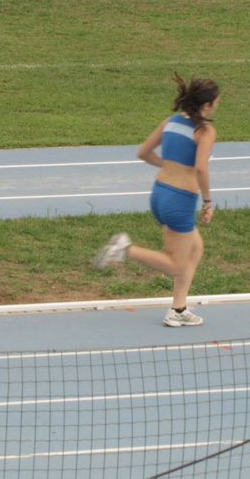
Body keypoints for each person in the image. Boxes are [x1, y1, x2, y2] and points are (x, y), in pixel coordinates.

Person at [94, 73, 221, 328]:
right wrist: (207, 202)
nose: (218, 106)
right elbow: (200, 169)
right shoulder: (205, 131)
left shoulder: (171, 121)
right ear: (206, 105)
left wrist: (168, 165)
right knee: (175, 265)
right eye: (216, 102)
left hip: (160, 193)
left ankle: (178, 309)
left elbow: (143, 152)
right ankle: (125, 249)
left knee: (195, 249)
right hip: (180, 202)